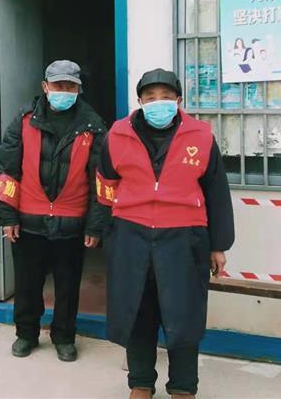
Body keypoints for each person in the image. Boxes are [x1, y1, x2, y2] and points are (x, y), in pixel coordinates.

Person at [96, 68, 235, 399]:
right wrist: (108, 234)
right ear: (140, 101)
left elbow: (216, 192)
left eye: (166, 97)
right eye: (151, 97)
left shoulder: (201, 136)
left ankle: (183, 387)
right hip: (131, 235)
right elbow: (105, 186)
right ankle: (141, 383)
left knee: (183, 314)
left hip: (184, 237)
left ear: (179, 100)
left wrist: (218, 246)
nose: (159, 102)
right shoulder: (117, 135)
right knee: (137, 311)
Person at [0, 60, 109, 362]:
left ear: (79, 90)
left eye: (70, 86)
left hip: (72, 221)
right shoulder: (24, 121)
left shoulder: (93, 126)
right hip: (28, 219)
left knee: (68, 285)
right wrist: (7, 216)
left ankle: (64, 337)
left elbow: (101, 181)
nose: (63, 91)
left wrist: (95, 226)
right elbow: (7, 171)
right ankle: (26, 334)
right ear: (45, 87)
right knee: (27, 284)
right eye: (58, 85)